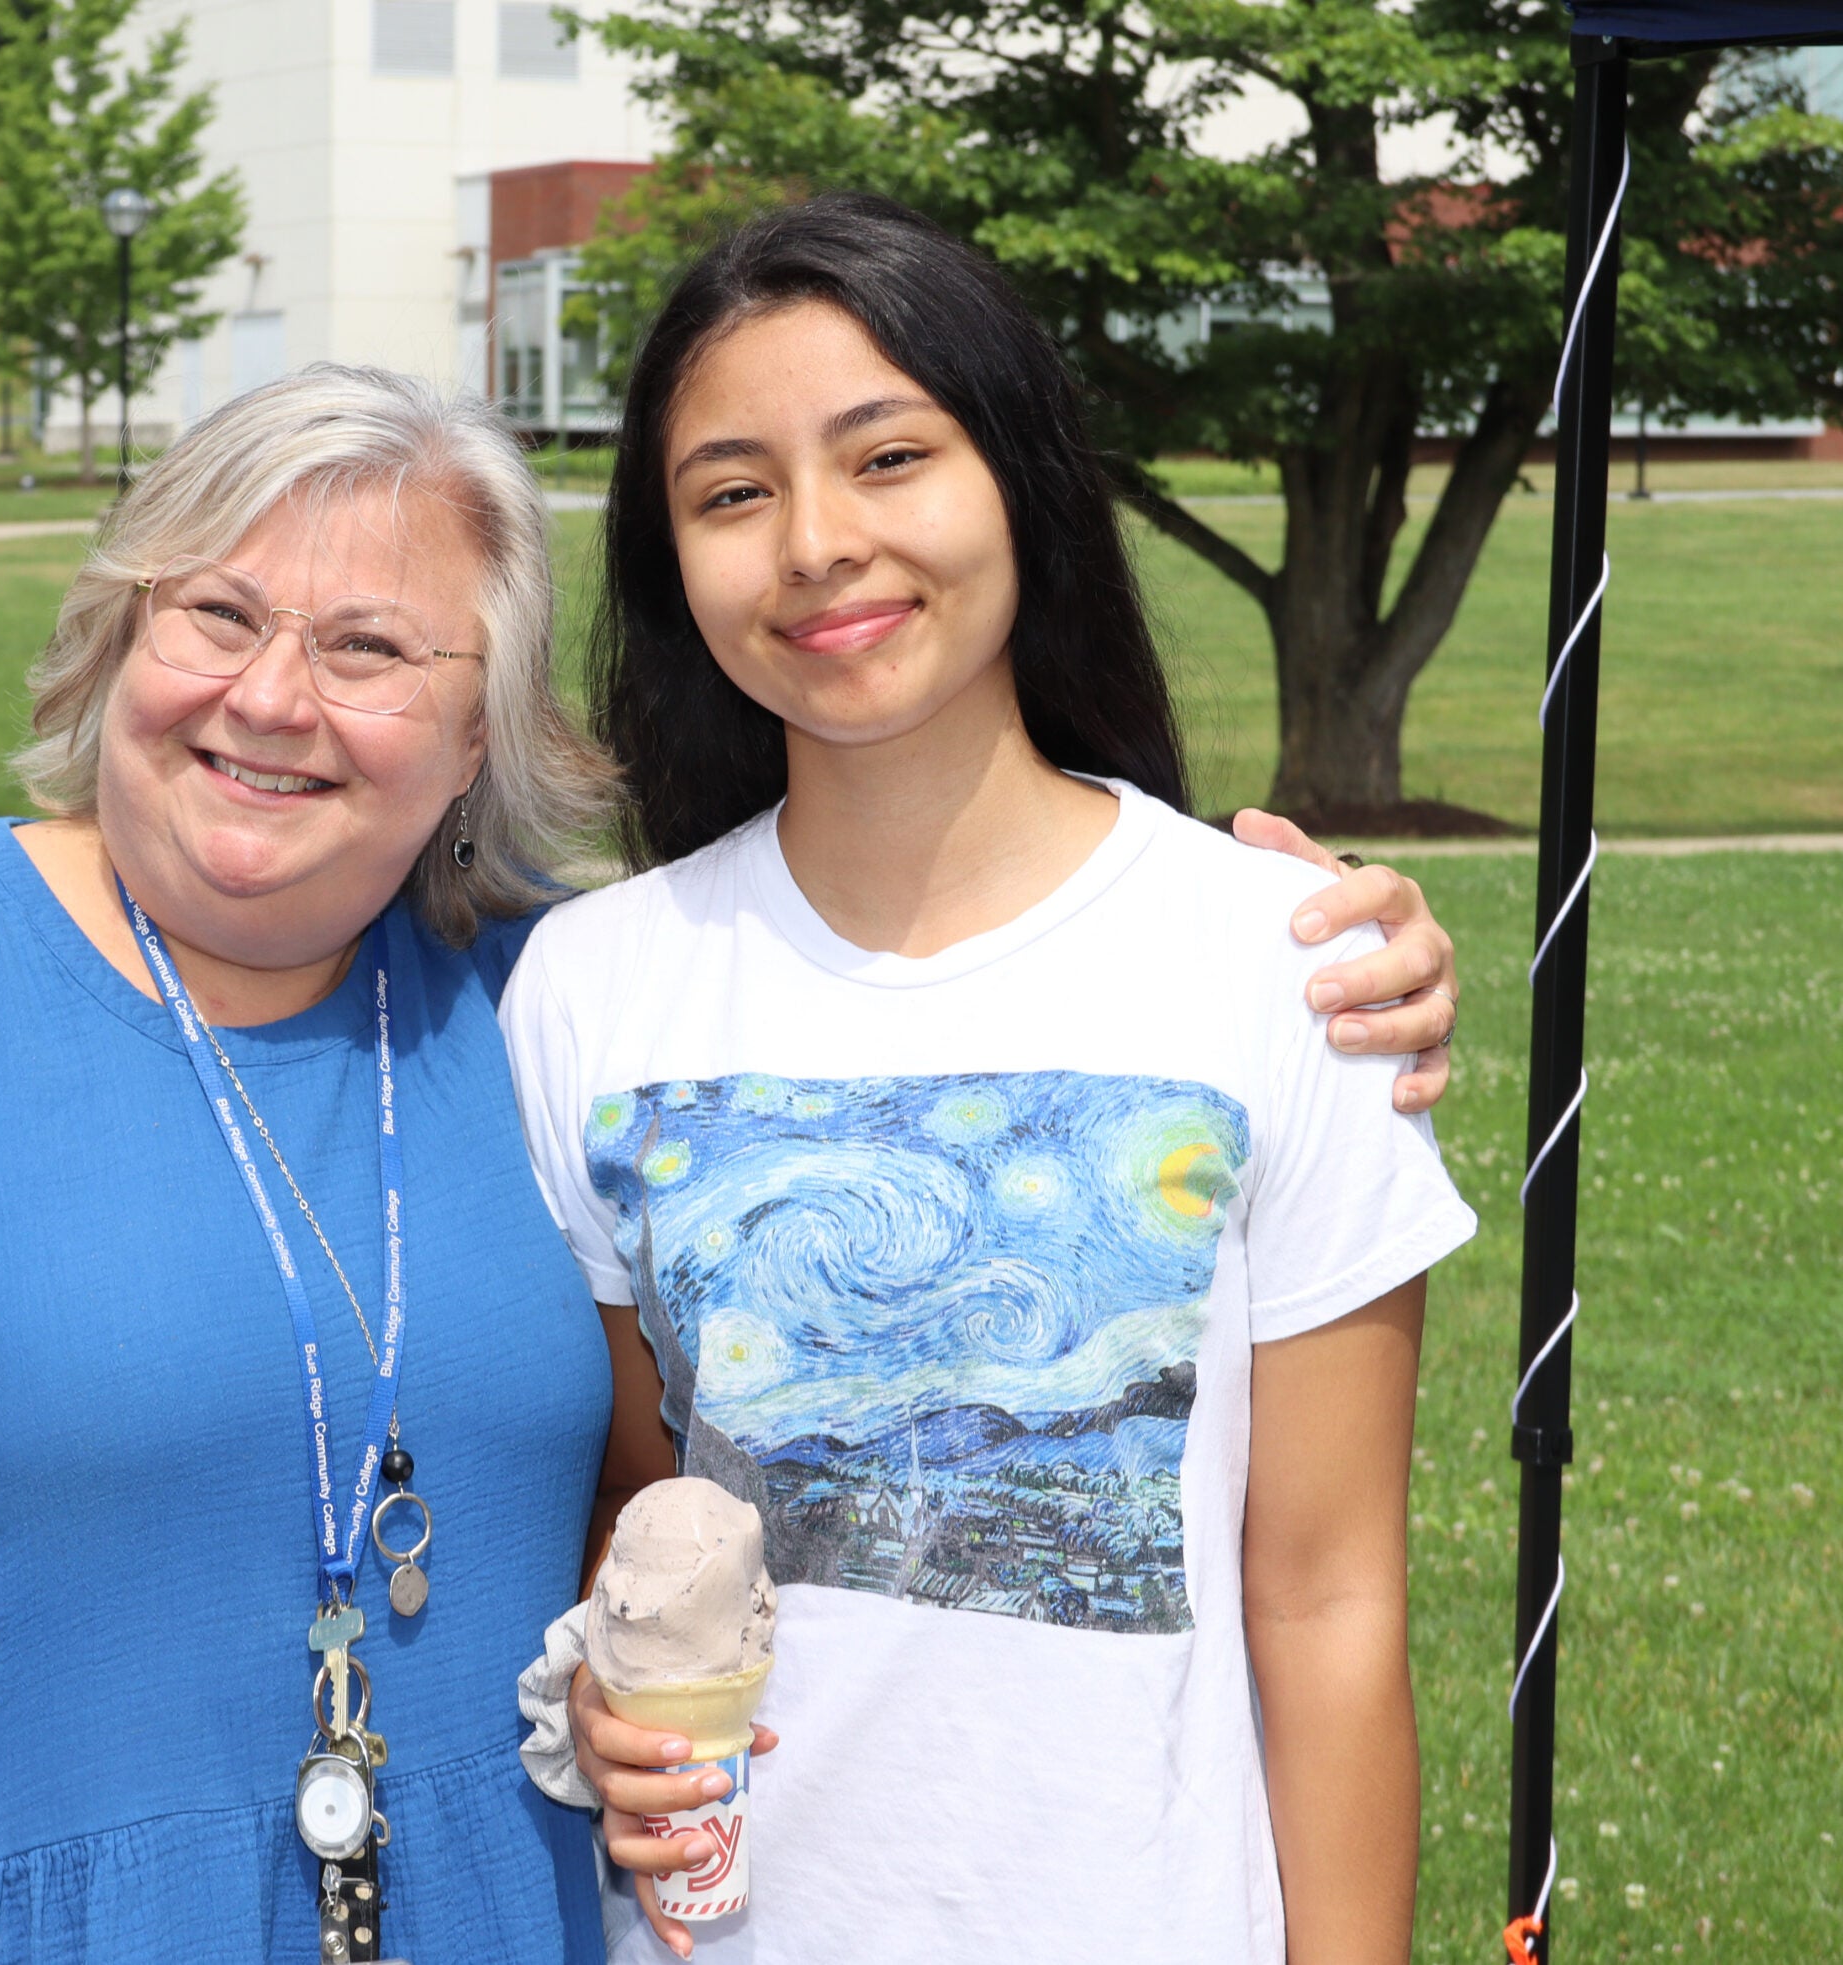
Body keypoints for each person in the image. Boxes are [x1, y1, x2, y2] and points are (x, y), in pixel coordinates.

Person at [0, 362, 1454, 1965]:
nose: (272, 698)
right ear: (116, 636)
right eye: (216, 615)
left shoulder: (532, 1009)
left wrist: (1280, 940)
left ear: (478, 739)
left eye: (371, 648)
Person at [502, 194, 1474, 1965]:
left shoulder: (1284, 956)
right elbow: (632, 1519)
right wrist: (608, 1704)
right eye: (732, 492)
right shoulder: (592, 985)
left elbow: (1328, 1597)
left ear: (1018, 478)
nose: (815, 543)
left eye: (889, 457)